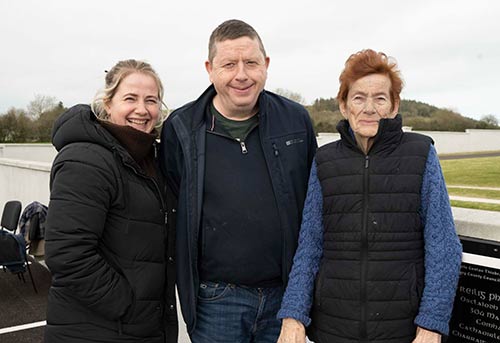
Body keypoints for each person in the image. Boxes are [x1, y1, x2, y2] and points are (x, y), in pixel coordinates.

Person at [277, 49, 462, 343]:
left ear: (394, 105)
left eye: (380, 98)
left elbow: (443, 247)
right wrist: (293, 315)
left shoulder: (421, 153)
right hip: (333, 328)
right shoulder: (325, 161)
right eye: (359, 98)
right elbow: (310, 245)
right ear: (343, 105)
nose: (369, 108)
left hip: (402, 330)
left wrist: (432, 324)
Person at [159, 19, 317, 343]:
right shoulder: (180, 128)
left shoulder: (296, 120)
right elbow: (174, 203)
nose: (241, 74)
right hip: (216, 301)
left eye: (251, 62)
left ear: (266, 65)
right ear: (210, 68)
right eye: (229, 64)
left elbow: (315, 205)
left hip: (285, 297)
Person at [44, 59, 177, 343]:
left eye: (151, 100)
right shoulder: (86, 158)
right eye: (130, 98)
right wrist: (126, 304)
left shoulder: (148, 160)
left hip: (140, 329)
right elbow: (68, 254)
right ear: (108, 103)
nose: (142, 110)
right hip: (97, 330)